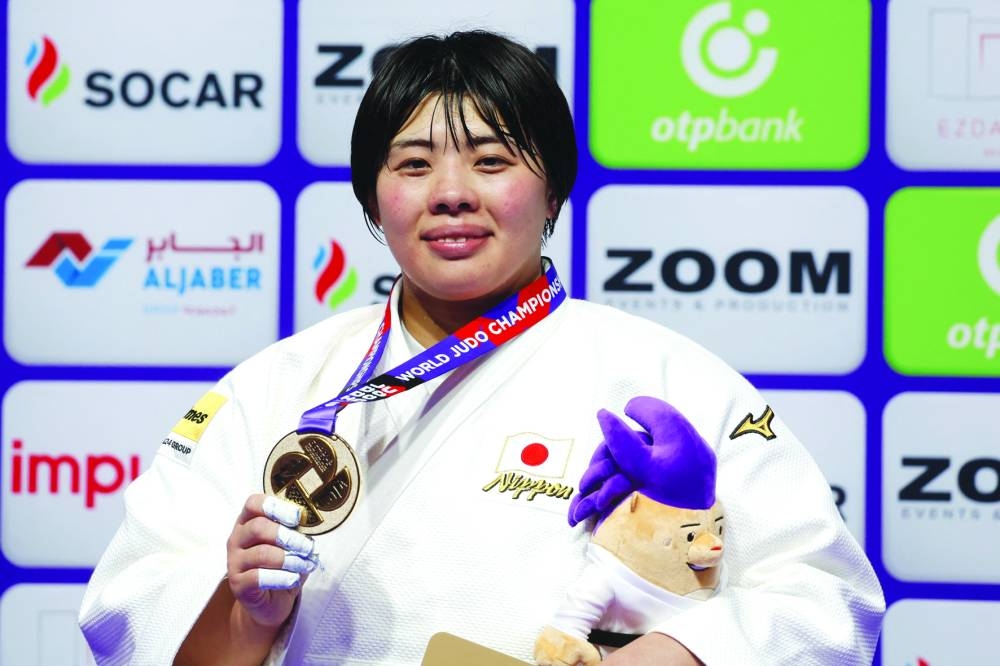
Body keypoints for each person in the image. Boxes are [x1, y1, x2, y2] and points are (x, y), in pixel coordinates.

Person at [79, 30, 884, 665]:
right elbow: (136, 614)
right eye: (415, 163)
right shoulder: (277, 388)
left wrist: (667, 654)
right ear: (374, 195)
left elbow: (823, 596)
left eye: (492, 161)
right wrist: (248, 610)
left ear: (554, 187)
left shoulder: (668, 379)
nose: (452, 193)